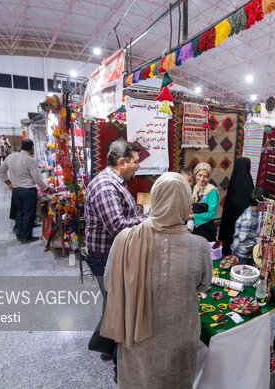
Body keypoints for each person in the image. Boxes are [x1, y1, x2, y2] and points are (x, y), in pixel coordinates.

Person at [101, 172, 212, 388]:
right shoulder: (199, 245)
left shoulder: (125, 239)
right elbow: (204, 285)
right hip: (179, 337)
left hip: (136, 335)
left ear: (156, 198)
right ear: (186, 202)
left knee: (138, 381)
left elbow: (109, 284)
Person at [84, 140, 146, 364]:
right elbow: (117, 226)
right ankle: (115, 357)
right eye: (136, 162)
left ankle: (106, 347)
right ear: (122, 162)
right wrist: (150, 220)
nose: (138, 166)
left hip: (108, 254)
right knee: (116, 305)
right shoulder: (106, 186)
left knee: (111, 302)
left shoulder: (115, 182)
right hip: (105, 256)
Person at [0, 139, 55, 243]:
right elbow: (38, 179)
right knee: (28, 213)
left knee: (20, 212)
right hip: (28, 191)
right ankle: (26, 236)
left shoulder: (11, 157)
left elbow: (1, 170)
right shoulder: (29, 160)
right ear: (32, 148)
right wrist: (47, 188)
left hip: (16, 190)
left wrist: (8, 183)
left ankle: (20, 234)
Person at [218, 157, 254, 255]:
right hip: (243, 220)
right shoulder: (248, 181)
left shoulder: (234, 179)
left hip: (231, 215)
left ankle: (227, 250)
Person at [231, 187, 268, 265]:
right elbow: (242, 239)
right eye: (265, 204)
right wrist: (258, 244)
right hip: (242, 254)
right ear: (259, 204)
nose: (266, 206)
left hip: (247, 252)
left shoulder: (254, 211)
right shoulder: (248, 219)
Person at [190, 162, 218, 242]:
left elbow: (211, 215)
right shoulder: (194, 188)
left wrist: (191, 216)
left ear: (208, 177)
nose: (202, 179)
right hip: (193, 227)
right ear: (195, 175)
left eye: (205, 176)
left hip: (205, 229)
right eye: (200, 175)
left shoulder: (212, 191)